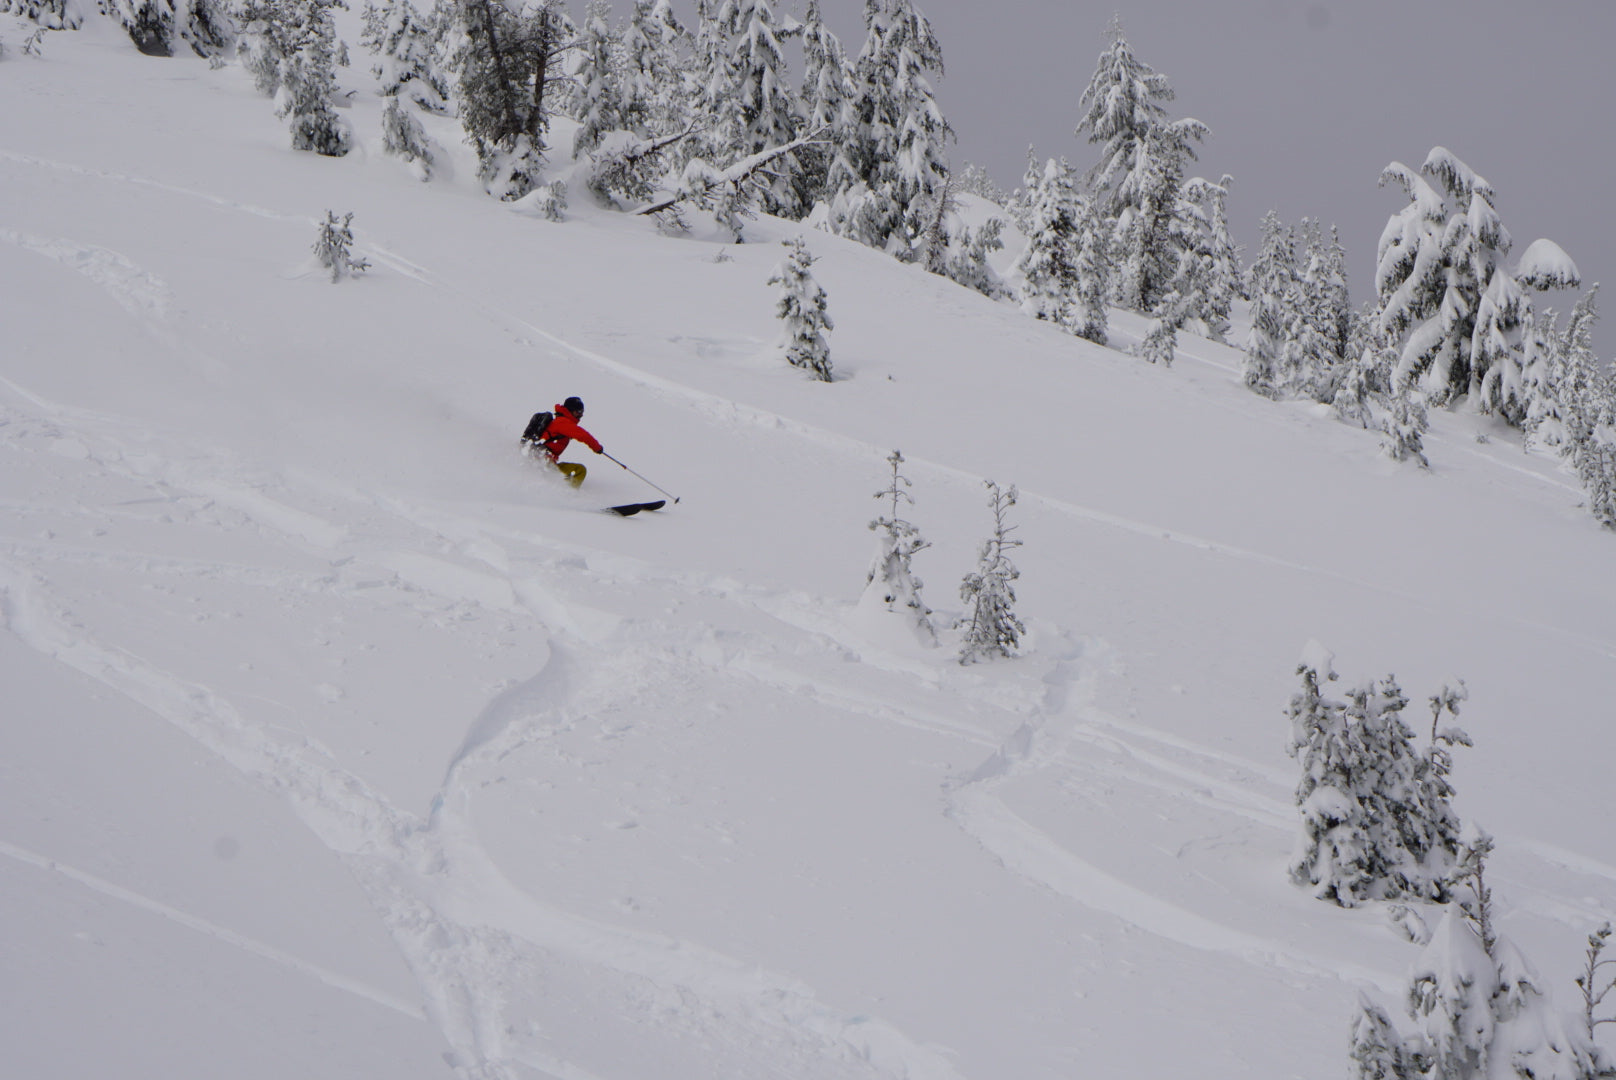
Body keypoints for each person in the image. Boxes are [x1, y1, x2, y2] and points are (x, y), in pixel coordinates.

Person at [522, 395, 603, 487]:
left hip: (546, 463)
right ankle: (570, 495)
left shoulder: (561, 422)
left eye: (582, 412)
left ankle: (562, 491)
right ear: (570, 410)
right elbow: (583, 435)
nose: (581, 415)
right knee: (580, 470)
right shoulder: (562, 422)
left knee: (572, 472)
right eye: (578, 412)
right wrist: (597, 448)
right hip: (543, 463)